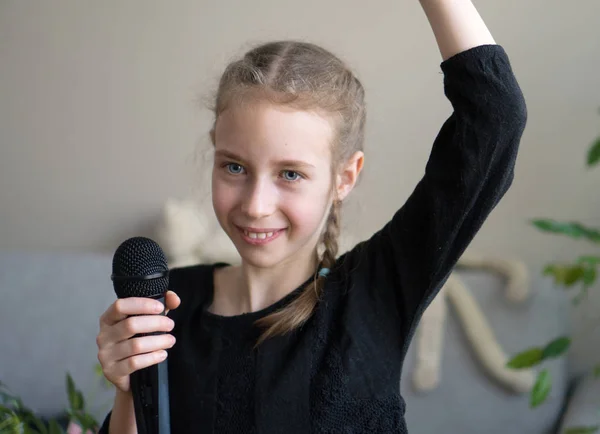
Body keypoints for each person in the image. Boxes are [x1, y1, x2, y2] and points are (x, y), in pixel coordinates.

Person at [96, 0, 527, 432]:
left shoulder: (376, 290)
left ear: (344, 177)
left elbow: (494, 117)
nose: (256, 205)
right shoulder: (170, 307)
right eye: (234, 167)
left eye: (290, 173)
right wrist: (129, 388)